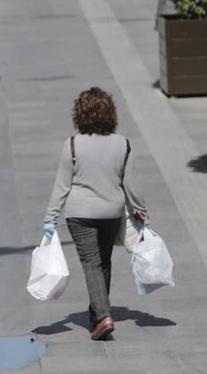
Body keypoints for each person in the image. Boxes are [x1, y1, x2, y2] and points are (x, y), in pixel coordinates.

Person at [43, 87, 148, 341]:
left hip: (80, 215)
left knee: (91, 263)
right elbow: (130, 184)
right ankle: (97, 313)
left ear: (79, 114)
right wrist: (140, 210)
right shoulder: (122, 144)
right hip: (111, 212)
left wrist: (50, 219)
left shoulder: (72, 145)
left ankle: (103, 316)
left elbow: (62, 185)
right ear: (109, 114)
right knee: (104, 261)